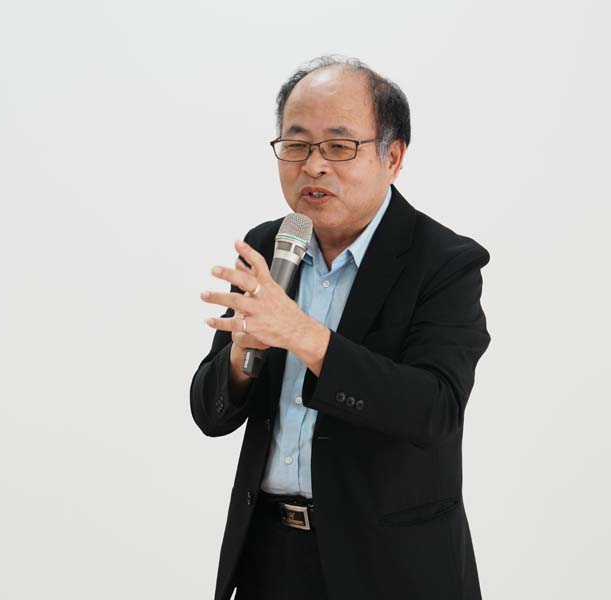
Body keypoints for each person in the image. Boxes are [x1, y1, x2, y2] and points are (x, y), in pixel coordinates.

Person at [190, 55, 491, 600]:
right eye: (297, 144)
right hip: (269, 558)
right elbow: (211, 415)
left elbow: (434, 409)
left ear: (392, 157)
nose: (313, 166)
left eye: (338, 145)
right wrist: (239, 359)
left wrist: (301, 334)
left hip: (390, 566)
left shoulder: (444, 261)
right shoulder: (269, 246)